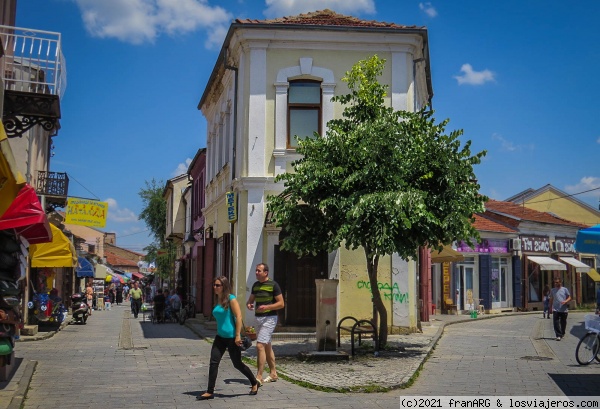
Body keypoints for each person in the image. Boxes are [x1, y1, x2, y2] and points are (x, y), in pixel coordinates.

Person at [197, 276, 259, 400]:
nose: (215, 287)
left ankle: (254, 382)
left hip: (231, 337)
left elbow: (239, 316)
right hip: (220, 337)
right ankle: (210, 391)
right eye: (214, 285)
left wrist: (237, 336)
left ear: (224, 286)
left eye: (217, 285)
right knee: (213, 362)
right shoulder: (218, 299)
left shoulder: (231, 299)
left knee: (237, 364)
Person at [246, 263, 284, 385]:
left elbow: (281, 304)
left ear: (266, 272)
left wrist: (267, 306)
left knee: (260, 345)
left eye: (259, 271)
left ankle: (259, 376)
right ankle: (273, 373)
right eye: (256, 271)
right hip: (258, 318)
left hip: (270, 318)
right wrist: (249, 304)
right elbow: (250, 301)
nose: (256, 273)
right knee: (267, 345)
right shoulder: (256, 285)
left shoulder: (274, 285)